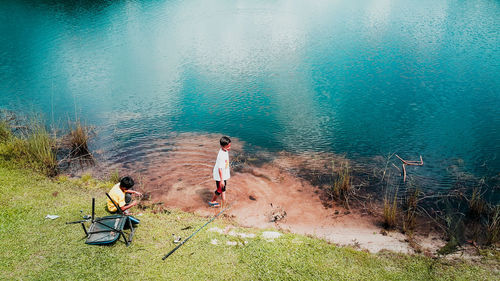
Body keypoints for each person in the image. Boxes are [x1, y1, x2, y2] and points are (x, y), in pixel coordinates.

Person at [209, 136, 231, 207]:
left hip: (223, 174)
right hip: (220, 175)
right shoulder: (221, 155)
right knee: (220, 189)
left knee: (223, 187)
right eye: (228, 146)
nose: (229, 148)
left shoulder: (225, 150)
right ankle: (212, 201)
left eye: (230, 146)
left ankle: (224, 200)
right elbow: (220, 169)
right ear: (222, 146)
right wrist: (221, 180)